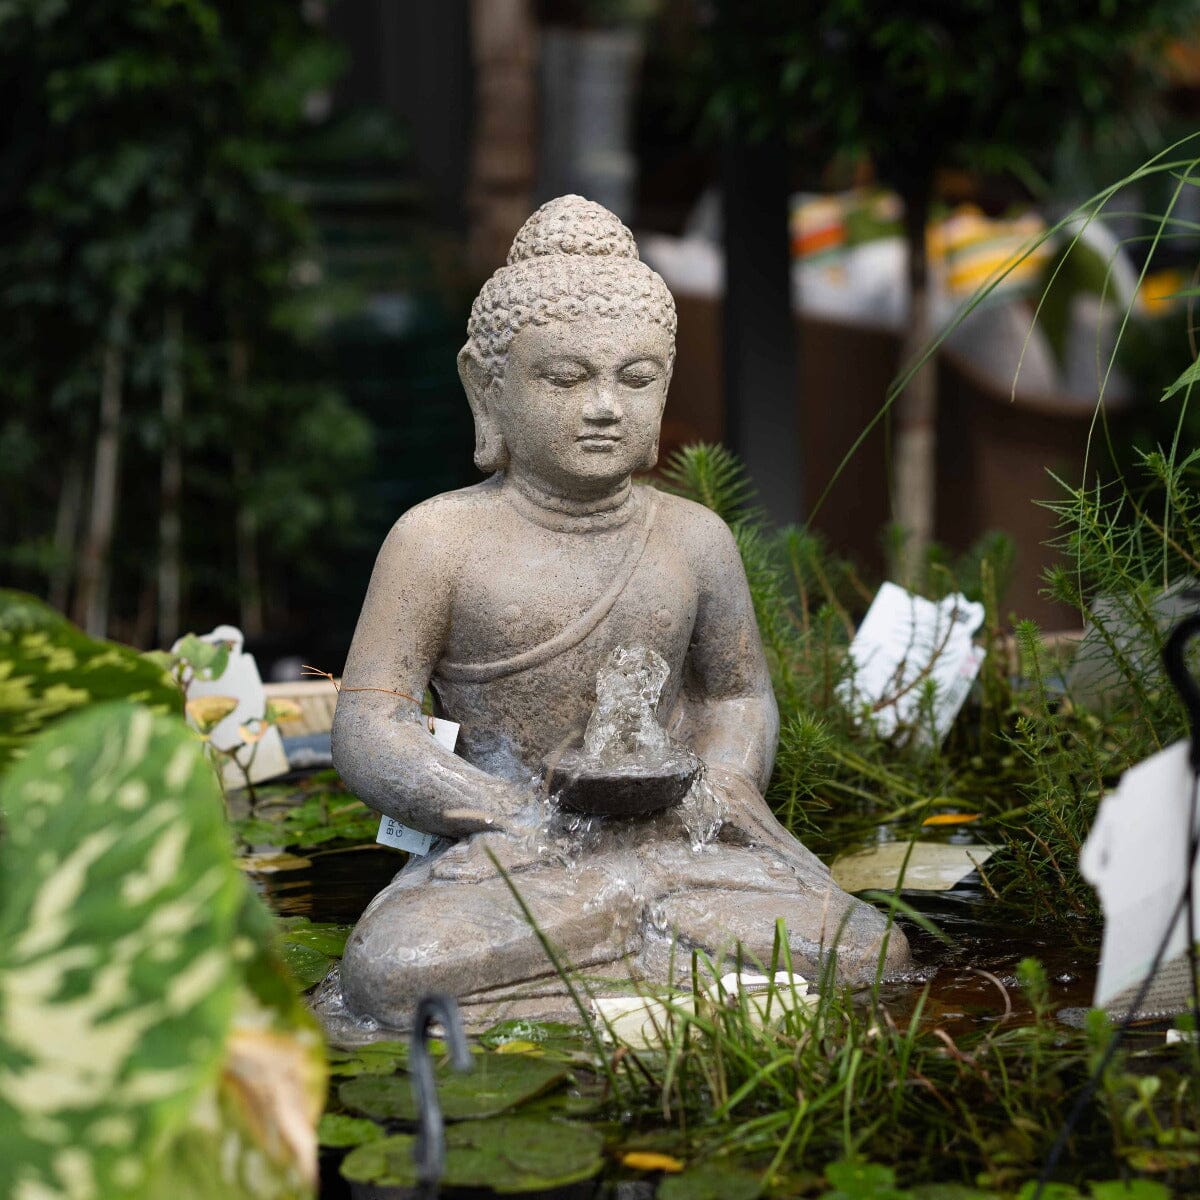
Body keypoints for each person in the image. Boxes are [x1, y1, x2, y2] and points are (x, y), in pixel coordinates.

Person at [331, 196, 909, 1028]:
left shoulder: (693, 538)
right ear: (486, 389)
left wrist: (721, 785)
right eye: (566, 378)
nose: (605, 405)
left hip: (677, 845)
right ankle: (646, 947)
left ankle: (613, 941)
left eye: (635, 379)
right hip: (516, 853)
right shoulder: (437, 540)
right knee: (396, 968)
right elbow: (369, 723)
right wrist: (507, 814)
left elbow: (736, 696)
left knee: (867, 950)